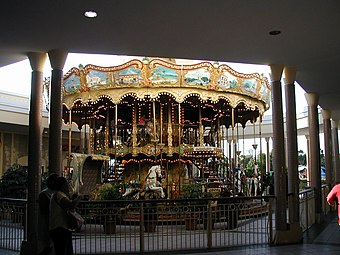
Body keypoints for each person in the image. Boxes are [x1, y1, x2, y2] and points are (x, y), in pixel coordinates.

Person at [50, 176, 81, 255]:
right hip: (60, 227)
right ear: (62, 185)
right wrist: (79, 198)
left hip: (61, 227)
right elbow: (71, 205)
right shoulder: (59, 194)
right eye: (66, 184)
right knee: (63, 250)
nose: (68, 186)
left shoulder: (57, 194)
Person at [38, 173, 58, 255]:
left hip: (54, 224)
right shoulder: (44, 194)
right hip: (46, 224)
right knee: (46, 246)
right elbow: (45, 210)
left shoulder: (57, 194)